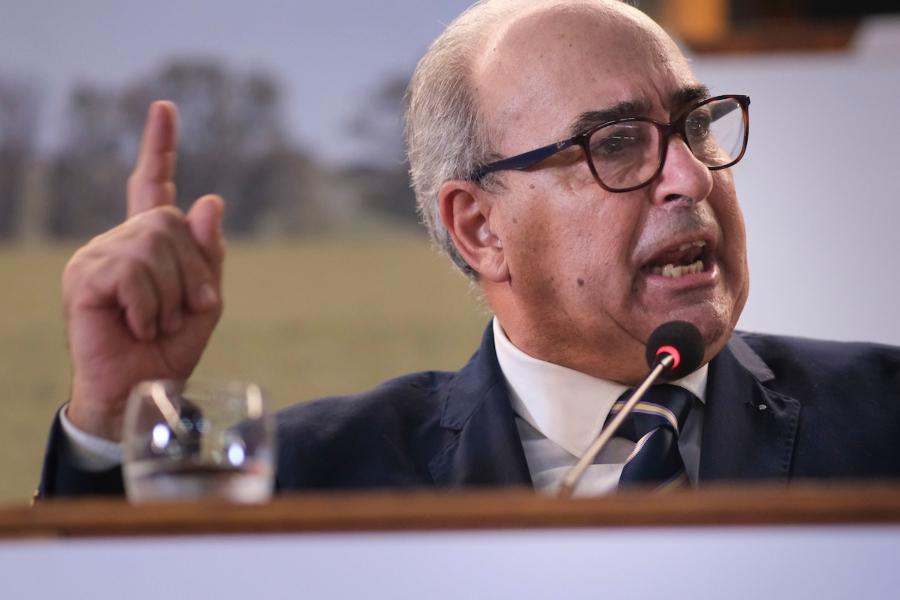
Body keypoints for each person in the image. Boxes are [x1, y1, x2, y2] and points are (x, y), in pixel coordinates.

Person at [38, 0, 900, 499]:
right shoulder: (311, 479)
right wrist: (111, 425)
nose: (690, 177)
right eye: (617, 144)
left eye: (697, 126)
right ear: (480, 228)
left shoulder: (883, 422)